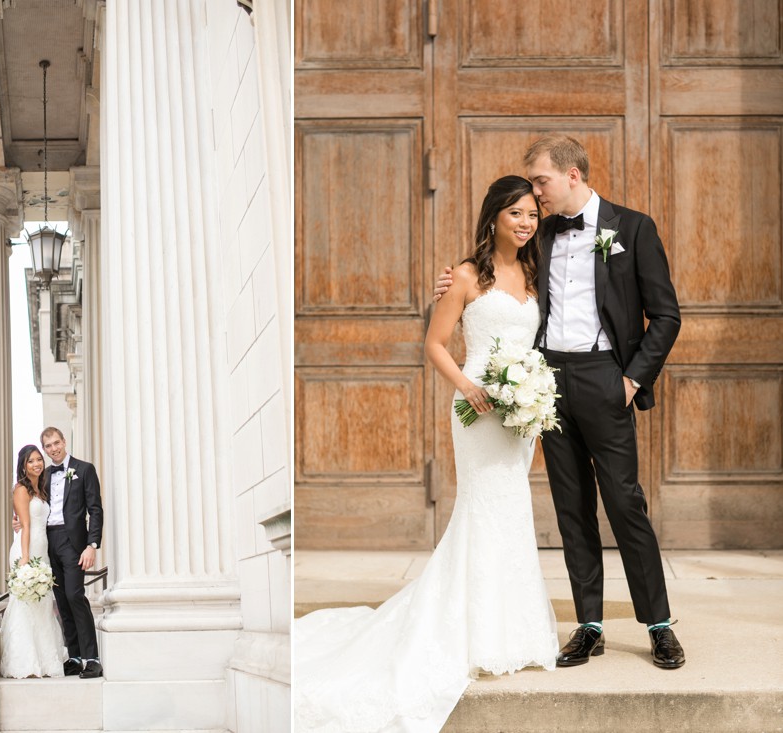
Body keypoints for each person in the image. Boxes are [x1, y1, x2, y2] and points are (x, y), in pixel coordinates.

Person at [294, 176, 558, 732]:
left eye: (532, 214)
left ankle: (515, 631)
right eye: (516, 213)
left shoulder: (537, 272)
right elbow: (434, 343)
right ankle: (474, 632)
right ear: (494, 218)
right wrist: (468, 387)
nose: (526, 222)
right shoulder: (464, 275)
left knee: (512, 509)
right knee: (481, 507)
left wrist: (531, 392)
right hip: (479, 409)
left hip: (522, 413)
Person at [434, 135, 685, 670]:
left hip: (605, 377)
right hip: (543, 380)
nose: (537, 197)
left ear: (572, 175)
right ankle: (588, 624)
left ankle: (658, 624)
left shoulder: (632, 228)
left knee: (624, 501)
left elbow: (666, 316)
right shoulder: (538, 235)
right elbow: (490, 272)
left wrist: (632, 379)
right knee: (571, 508)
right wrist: (448, 283)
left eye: (542, 183)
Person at [39, 427, 105, 679]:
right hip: (48, 541)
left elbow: (95, 510)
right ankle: (75, 657)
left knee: (75, 595)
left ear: (64, 441)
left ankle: (92, 658)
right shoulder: (44, 476)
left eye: (57, 443)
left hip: (73, 542)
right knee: (62, 600)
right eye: (48, 446)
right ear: (44, 449)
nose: (54, 448)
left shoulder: (84, 469)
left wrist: (92, 545)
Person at [0, 445, 67, 678]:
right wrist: (26, 559)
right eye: (31, 461)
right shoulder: (20, 489)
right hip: (27, 548)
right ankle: (24, 661)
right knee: (25, 604)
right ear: (23, 465)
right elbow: (26, 525)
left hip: (43, 549)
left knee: (43, 603)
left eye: (39, 459)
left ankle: (45, 658)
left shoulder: (41, 489)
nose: (37, 464)